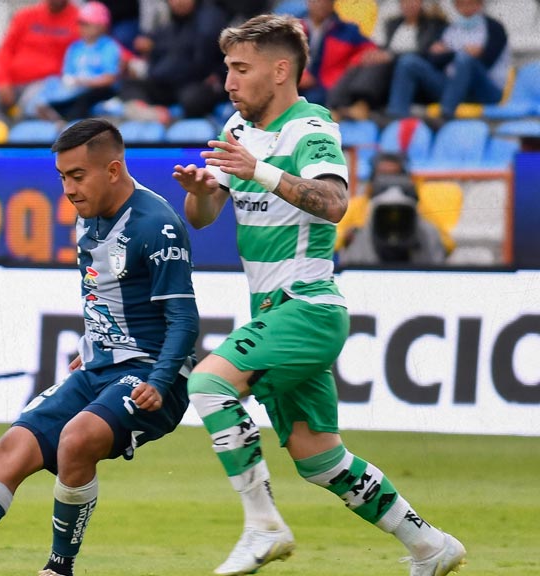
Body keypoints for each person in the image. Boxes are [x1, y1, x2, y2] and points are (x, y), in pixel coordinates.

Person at [172, 14, 466, 576]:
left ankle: (263, 525)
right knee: (318, 456)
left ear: (280, 70)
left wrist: (259, 172)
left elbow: (334, 204)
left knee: (209, 383)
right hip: (270, 311)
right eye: (227, 68)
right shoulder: (239, 129)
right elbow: (205, 219)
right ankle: (430, 545)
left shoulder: (311, 129)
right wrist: (203, 192)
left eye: (240, 69)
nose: (229, 81)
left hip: (307, 305)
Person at [0, 118, 200, 576]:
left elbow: (183, 319)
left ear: (113, 170)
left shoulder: (157, 224)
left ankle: (57, 569)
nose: (67, 189)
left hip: (153, 375)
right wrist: (94, 342)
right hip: (102, 367)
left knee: (76, 439)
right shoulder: (90, 221)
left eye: (77, 176)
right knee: (12, 447)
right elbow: (106, 295)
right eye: (62, 177)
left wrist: (161, 381)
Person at [386, 0, 509, 120]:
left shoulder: (494, 28)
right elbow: (434, 60)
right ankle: (396, 117)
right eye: (461, 4)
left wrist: (453, 52)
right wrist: (457, 51)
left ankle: (444, 117)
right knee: (408, 61)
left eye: (471, 3)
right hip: (452, 87)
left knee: (465, 59)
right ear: (456, 5)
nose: (467, 8)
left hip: (485, 91)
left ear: (480, 4)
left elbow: (487, 61)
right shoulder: (450, 28)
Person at [328, 0, 447, 119]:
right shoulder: (393, 24)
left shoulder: (433, 25)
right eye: (405, 2)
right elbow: (384, 48)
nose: (409, 5)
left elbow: (424, 53)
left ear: (421, 3)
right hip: (388, 73)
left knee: (384, 63)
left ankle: (363, 104)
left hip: (411, 78)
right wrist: (374, 55)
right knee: (362, 61)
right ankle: (335, 106)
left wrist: (391, 56)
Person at [0, 0, 80, 121]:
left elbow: (80, 55)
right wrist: (3, 82)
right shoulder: (25, 15)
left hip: (48, 82)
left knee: (29, 104)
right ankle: (4, 134)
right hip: (14, 81)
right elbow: (5, 50)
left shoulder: (79, 19)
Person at [121, 0, 231, 122]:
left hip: (195, 83)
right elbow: (159, 52)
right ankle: (152, 115)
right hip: (167, 84)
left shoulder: (209, 21)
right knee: (130, 84)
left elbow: (203, 62)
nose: (177, 2)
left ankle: (175, 123)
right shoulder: (170, 23)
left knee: (193, 100)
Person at [30, 2, 122, 122]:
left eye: (86, 24)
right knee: (50, 85)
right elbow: (67, 75)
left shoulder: (109, 46)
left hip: (99, 91)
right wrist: (72, 83)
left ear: (101, 26)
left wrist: (85, 82)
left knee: (85, 99)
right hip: (76, 90)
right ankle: (52, 111)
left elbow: (110, 78)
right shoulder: (75, 47)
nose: (81, 27)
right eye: (79, 23)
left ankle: (65, 118)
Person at [299, 0, 375, 105]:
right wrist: (299, 75)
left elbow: (372, 52)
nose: (321, 5)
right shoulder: (294, 27)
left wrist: (352, 63)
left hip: (329, 87)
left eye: (326, 2)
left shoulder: (347, 31)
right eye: (316, 1)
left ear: (333, 4)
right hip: (295, 84)